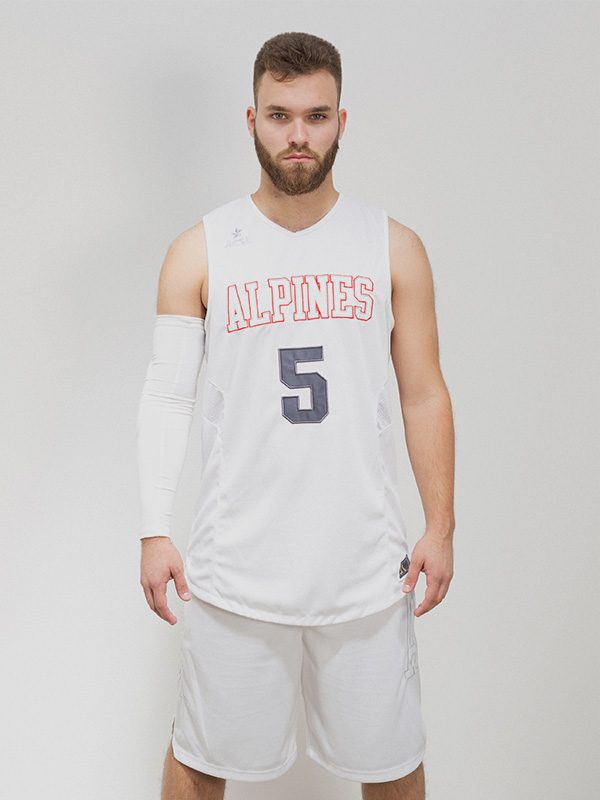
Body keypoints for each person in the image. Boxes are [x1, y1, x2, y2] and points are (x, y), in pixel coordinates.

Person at [137, 31, 455, 800]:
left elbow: (423, 391)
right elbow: (167, 393)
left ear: (343, 120)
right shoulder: (201, 249)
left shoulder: (393, 247)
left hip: (364, 566)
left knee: (393, 764)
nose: (299, 135)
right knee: (198, 760)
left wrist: (440, 525)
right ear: (251, 120)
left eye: (316, 115)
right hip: (236, 564)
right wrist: (154, 527)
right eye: (280, 115)